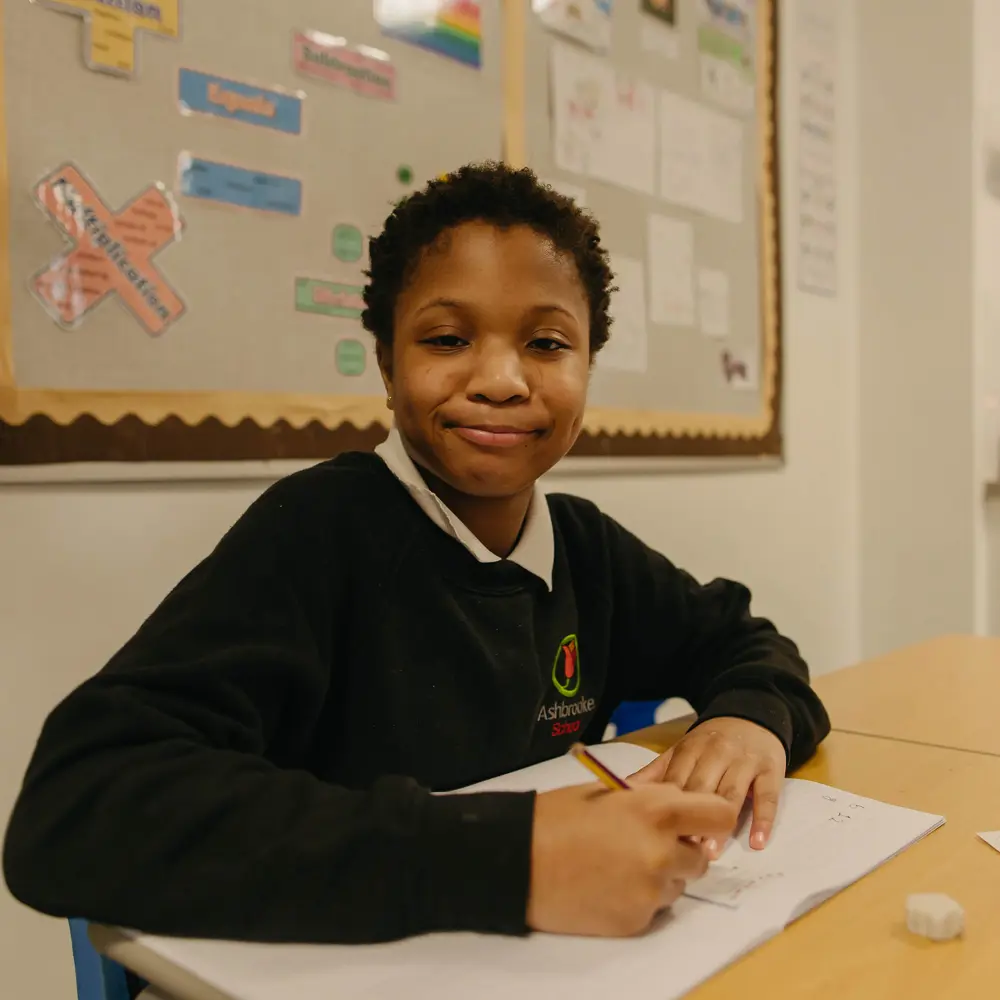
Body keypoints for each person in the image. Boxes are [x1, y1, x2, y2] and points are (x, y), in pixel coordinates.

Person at [3, 163, 830, 949]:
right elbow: (74, 808)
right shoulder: (321, 530)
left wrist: (751, 717)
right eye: (446, 338)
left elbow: (745, 641)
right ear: (389, 368)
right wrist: (514, 861)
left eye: (547, 343)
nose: (502, 379)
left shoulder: (585, 549)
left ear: (587, 368)